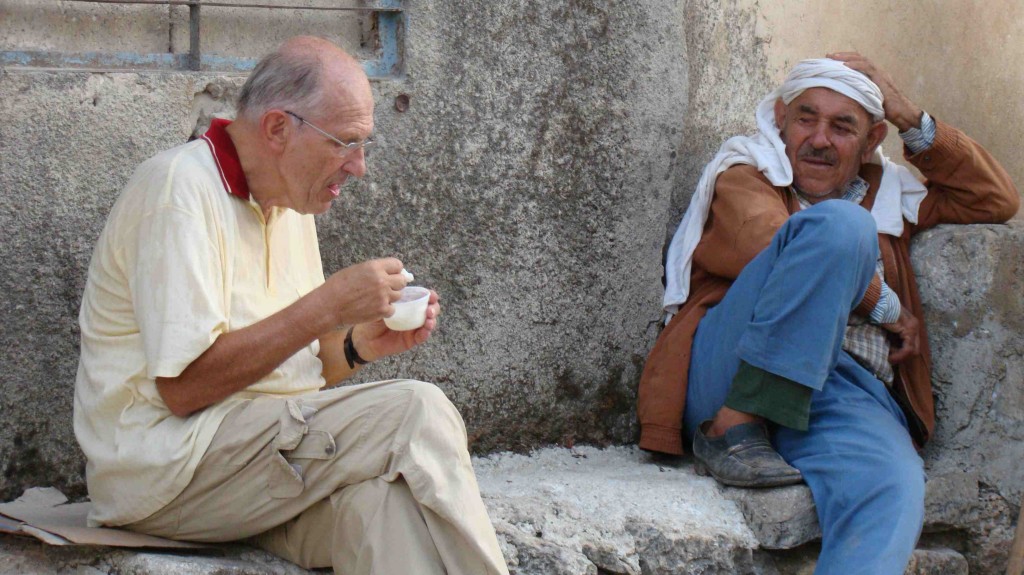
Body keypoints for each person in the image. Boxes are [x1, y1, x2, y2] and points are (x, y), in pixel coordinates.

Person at [73, 36, 509, 575]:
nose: (359, 167)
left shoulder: (290, 204)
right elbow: (184, 389)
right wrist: (326, 307)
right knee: (418, 410)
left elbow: (291, 375)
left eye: (364, 144)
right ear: (278, 129)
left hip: (252, 466)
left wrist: (356, 344)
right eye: (344, 142)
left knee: (382, 508)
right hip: (168, 474)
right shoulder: (178, 192)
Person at [638, 53, 1018, 574]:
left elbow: (993, 199)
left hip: (839, 392)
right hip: (732, 366)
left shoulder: (889, 194)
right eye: (806, 119)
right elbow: (766, 241)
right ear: (780, 121)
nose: (819, 139)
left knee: (892, 488)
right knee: (841, 227)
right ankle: (734, 429)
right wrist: (883, 304)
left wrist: (910, 115)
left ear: (871, 140)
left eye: (843, 127)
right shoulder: (747, 173)